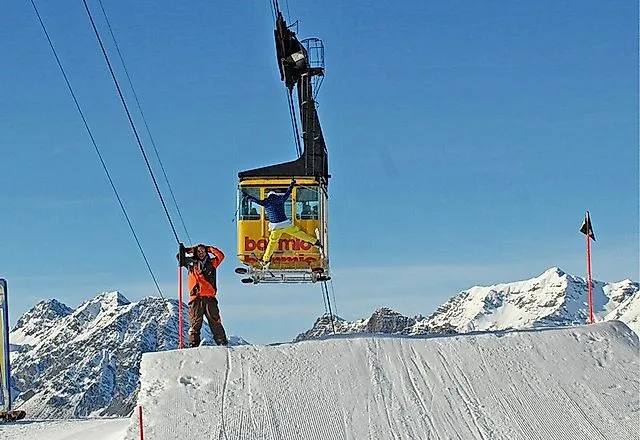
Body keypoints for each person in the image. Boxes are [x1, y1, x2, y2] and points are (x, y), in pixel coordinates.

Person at [242, 178, 322, 268]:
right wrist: (292, 184)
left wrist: (248, 197)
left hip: (275, 226)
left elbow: (256, 201)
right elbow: (288, 193)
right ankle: (315, 242)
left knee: (272, 243)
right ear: (275, 195)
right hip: (285, 223)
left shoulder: (266, 201)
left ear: (268, 195)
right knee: (300, 234)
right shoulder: (280, 199)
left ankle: (266, 259)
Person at [178, 243, 228, 347]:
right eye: (199, 251)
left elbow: (221, 256)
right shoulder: (190, 264)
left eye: (203, 251)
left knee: (214, 320)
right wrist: (190, 250)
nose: (201, 253)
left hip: (210, 298)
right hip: (195, 298)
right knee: (195, 323)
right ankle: (193, 344)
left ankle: (222, 342)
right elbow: (179, 257)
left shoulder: (212, 263)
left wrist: (209, 248)